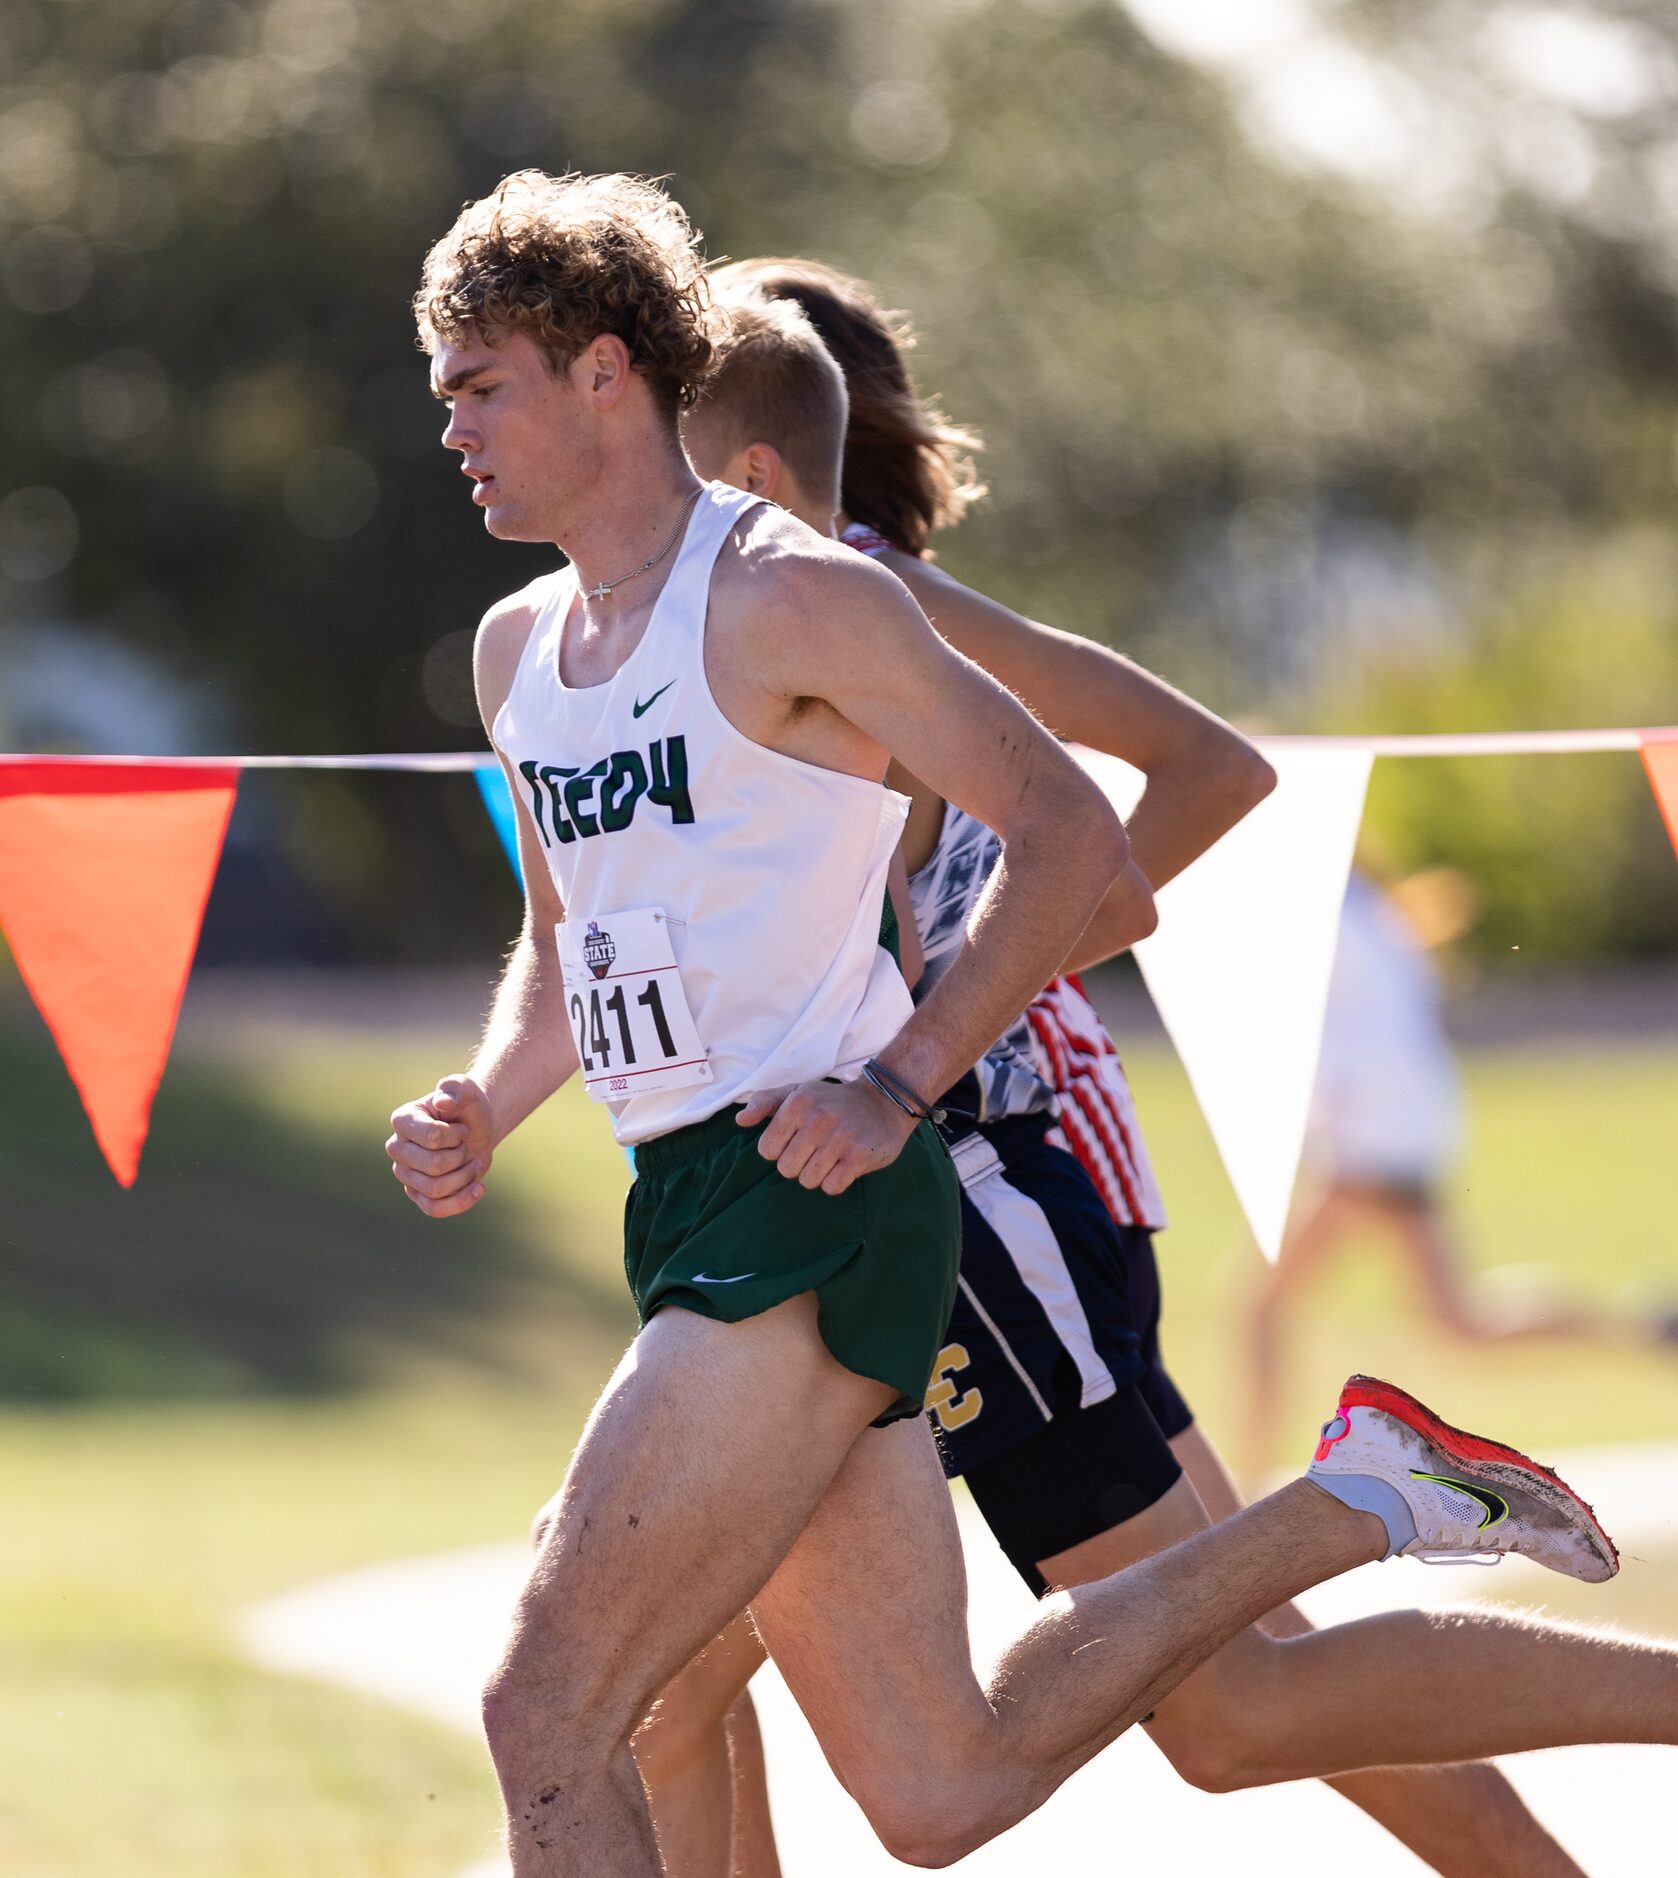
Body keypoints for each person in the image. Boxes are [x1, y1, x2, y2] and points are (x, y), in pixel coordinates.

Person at [387, 173, 1647, 1878]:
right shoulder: (516, 649)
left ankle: (1384, 1522)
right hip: (690, 1196)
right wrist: (483, 1090)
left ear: (607, 372)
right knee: (934, 1785)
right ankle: (1359, 1497)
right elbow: (567, 934)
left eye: (478, 386)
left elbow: (1081, 839)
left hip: (840, 1195)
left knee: (554, 1710)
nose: (447, 427)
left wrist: (903, 1074)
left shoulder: (798, 594)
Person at [1248, 862, 1637, 1473]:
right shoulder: (1364, 911)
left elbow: (1346, 1039)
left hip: (1372, 1141)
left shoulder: (1334, 918)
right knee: (1459, 1324)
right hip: (1395, 1134)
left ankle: (1245, 1485)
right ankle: (1634, 1326)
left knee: (1261, 1312)